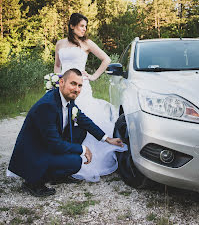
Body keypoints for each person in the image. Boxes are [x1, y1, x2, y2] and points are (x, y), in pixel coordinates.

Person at [8, 69, 124, 197]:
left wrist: (107, 139)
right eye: (73, 84)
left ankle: (57, 176)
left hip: (48, 146)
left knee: (80, 130)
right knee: (75, 161)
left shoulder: (67, 98)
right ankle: (32, 182)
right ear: (61, 82)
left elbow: (83, 120)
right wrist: (82, 148)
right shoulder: (47, 105)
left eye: (80, 85)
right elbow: (54, 144)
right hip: (35, 154)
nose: (77, 89)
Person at [54, 13, 127, 182]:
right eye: (81, 25)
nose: (84, 29)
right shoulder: (60, 44)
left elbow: (106, 59)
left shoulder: (86, 43)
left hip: (81, 87)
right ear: (72, 26)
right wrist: (56, 81)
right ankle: (63, 159)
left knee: (83, 120)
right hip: (63, 87)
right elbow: (58, 65)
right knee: (63, 120)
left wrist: (93, 76)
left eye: (86, 26)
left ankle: (89, 160)